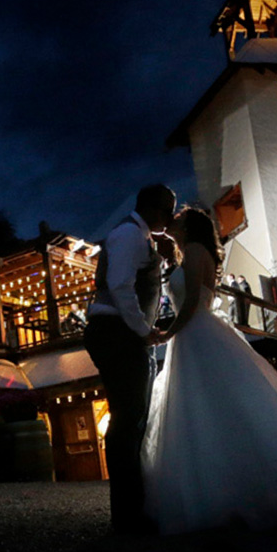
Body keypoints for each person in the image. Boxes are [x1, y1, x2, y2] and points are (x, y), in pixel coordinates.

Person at [142, 206, 277, 535]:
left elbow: (192, 301)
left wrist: (167, 333)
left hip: (195, 333)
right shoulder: (189, 252)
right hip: (197, 334)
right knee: (213, 410)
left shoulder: (192, 251)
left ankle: (226, 492)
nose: (172, 218)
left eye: (177, 217)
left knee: (207, 410)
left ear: (189, 226)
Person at [84, 184, 176, 532]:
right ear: (152, 209)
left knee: (131, 418)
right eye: (168, 211)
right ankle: (127, 516)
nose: (169, 218)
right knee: (127, 420)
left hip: (119, 333)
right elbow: (120, 285)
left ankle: (131, 510)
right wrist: (141, 329)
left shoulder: (140, 237)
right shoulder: (128, 234)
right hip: (115, 332)